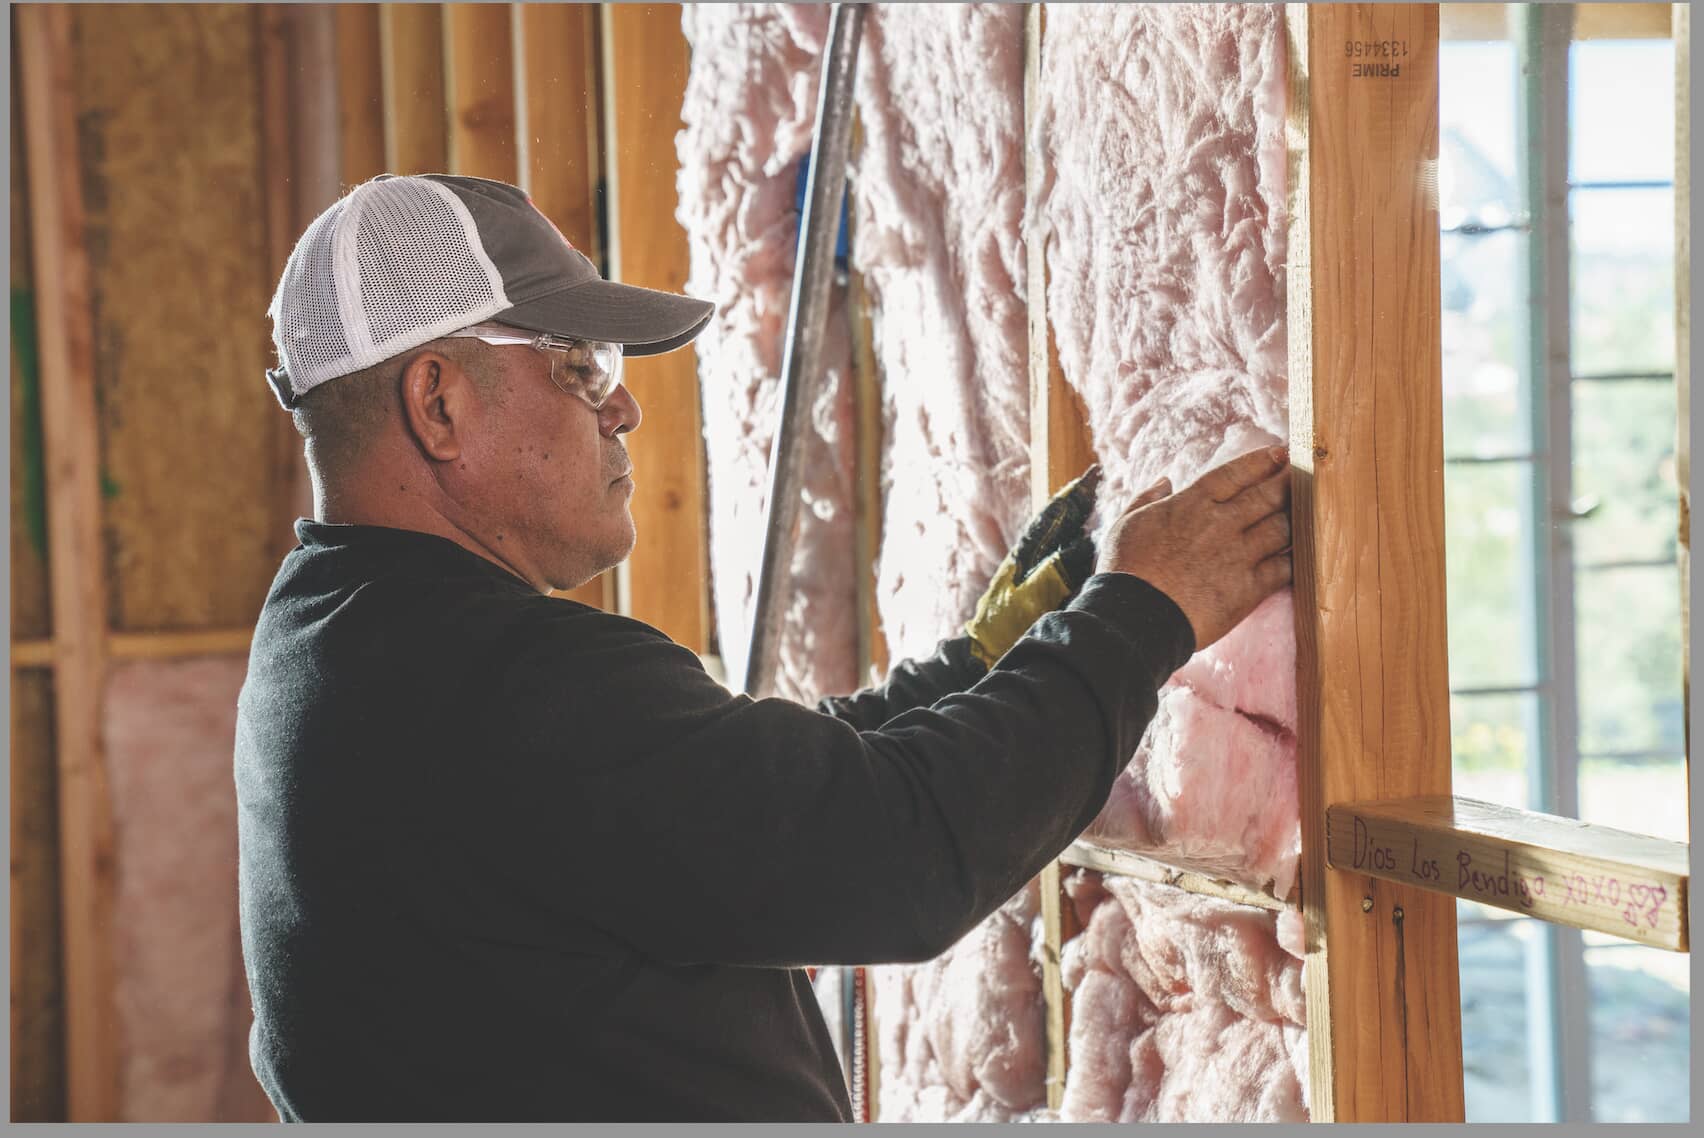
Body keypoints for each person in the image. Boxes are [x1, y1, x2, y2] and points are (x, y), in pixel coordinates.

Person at [236, 173, 1293, 1122]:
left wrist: (981, 660)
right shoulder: (503, 685)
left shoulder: (333, 640)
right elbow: (896, 853)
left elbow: (740, 793)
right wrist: (1144, 609)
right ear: (438, 402)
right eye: (575, 365)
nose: (623, 406)